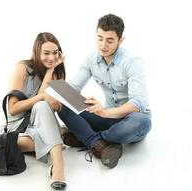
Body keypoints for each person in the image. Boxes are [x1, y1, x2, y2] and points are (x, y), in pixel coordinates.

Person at [57, 14, 151, 169]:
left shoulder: (133, 62)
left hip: (130, 119)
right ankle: (100, 143)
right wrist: (56, 70)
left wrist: (106, 112)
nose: (103, 45)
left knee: (142, 122)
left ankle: (90, 138)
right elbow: (72, 89)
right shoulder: (91, 59)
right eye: (100, 38)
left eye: (109, 40)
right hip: (106, 118)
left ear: (121, 41)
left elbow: (139, 102)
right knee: (62, 103)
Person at [0, 32, 67, 191]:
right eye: (46, 53)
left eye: (55, 53)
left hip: (41, 124)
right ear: (36, 52)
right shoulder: (22, 68)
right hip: (19, 126)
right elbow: (13, 109)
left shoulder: (57, 74)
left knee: (42, 106)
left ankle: (57, 167)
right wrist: (42, 98)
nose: (51, 58)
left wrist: (51, 72)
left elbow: (55, 107)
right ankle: (58, 161)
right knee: (42, 107)